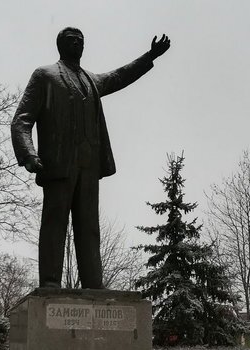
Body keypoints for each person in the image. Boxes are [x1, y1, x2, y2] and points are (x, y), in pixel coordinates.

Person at [11, 27, 171, 289]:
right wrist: (28, 153)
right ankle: (50, 284)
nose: (77, 43)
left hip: (89, 165)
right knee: (55, 224)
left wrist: (150, 56)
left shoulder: (92, 80)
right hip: (57, 164)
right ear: (60, 45)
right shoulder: (45, 76)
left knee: (89, 227)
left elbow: (120, 75)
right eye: (71, 40)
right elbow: (21, 120)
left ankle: (93, 284)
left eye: (80, 40)